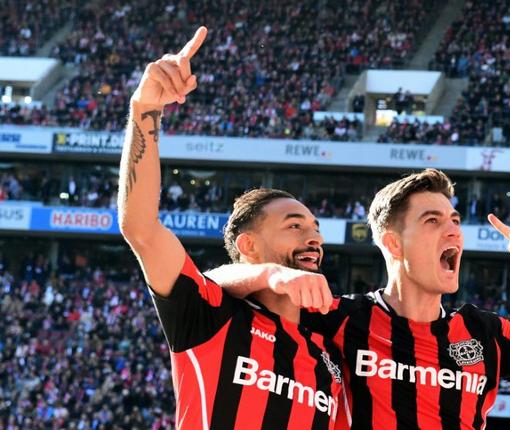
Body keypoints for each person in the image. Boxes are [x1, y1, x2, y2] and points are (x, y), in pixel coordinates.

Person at [216, 169, 510, 428]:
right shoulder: (335, 318)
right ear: (393, 243)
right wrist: (271, 272)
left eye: (455, 221)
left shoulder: (484, 334)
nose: (453, 232)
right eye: (433, 221)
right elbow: (210, 287)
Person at [117, 26, 346, 429]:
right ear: (249, 244)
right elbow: (141, 228)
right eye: (295, 225)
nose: (314, 237)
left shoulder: (329, 354)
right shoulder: (209, 315)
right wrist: (145, 110)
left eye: (315, 227)